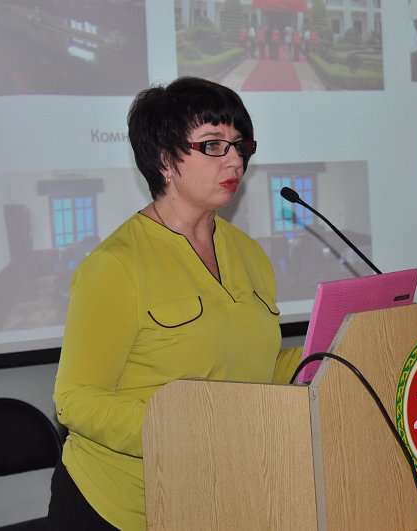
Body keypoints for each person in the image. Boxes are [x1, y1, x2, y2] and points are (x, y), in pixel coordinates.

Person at [47, 77, 302, 531]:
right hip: (120, 508)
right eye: (213, 145)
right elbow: (74, 400)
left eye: (240, 145)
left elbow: (255, 367)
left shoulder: (249, 254)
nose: (235, 160)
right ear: (165, 159)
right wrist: (179, 431)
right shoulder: (116, 265)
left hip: (215, 499)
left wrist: (327, 354)